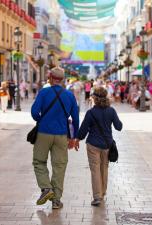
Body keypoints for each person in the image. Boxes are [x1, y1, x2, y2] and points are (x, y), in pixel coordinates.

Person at [31, 67, 79, 210]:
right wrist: (74, 137)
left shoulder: (44, 92)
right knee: (59, 166)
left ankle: (46, 188)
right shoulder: (70, 96)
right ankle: (56, 200)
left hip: (44, 133)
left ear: (50, 78)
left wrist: (42, 120)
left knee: (39, 161)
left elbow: (34, 112)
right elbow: (75, 118)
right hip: (61, 134)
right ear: (62, 79)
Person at [75, 87, 123, 206]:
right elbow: (119, 127)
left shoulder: (91, 113)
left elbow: (83, 130)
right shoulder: (111, 111)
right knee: (104, 169)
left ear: (94, 98)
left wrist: (77, 139)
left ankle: (97, 197)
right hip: (107, 145)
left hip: (93, 145)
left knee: (95, 170)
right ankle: (103, 192)